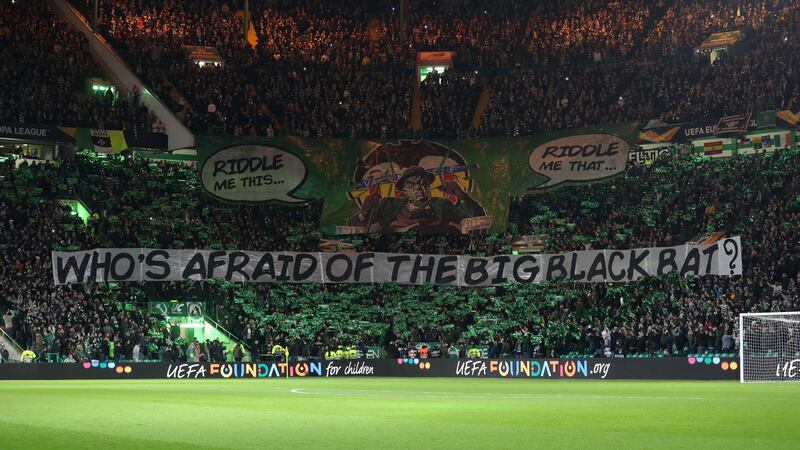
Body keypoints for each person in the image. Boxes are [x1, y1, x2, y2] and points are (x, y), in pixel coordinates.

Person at [361, 166, 486, 234]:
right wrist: (365, 211)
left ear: (428, 186)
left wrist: (461, 195)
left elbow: (474, 218)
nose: (418, 188)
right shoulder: (388, 204)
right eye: (411, 184)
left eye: (423, 183)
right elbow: (361, 228)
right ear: (404, 190)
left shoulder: (442, 204)